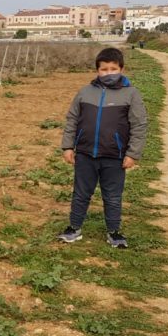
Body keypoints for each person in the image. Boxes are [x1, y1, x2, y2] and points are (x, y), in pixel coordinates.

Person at [58, 46, 148, 248]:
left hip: (115, 157)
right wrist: (68, 147)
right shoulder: (85, 92)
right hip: (85, 155)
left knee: (113, 196)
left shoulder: (131, 94)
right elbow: (72, 120)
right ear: (97, 70)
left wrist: (133, 153)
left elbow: (139, 125)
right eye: (104, 69)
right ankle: (74, 228)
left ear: (122, 69)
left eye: (113, 69)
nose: (109, 73)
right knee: (80, 194)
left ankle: (114, 232)